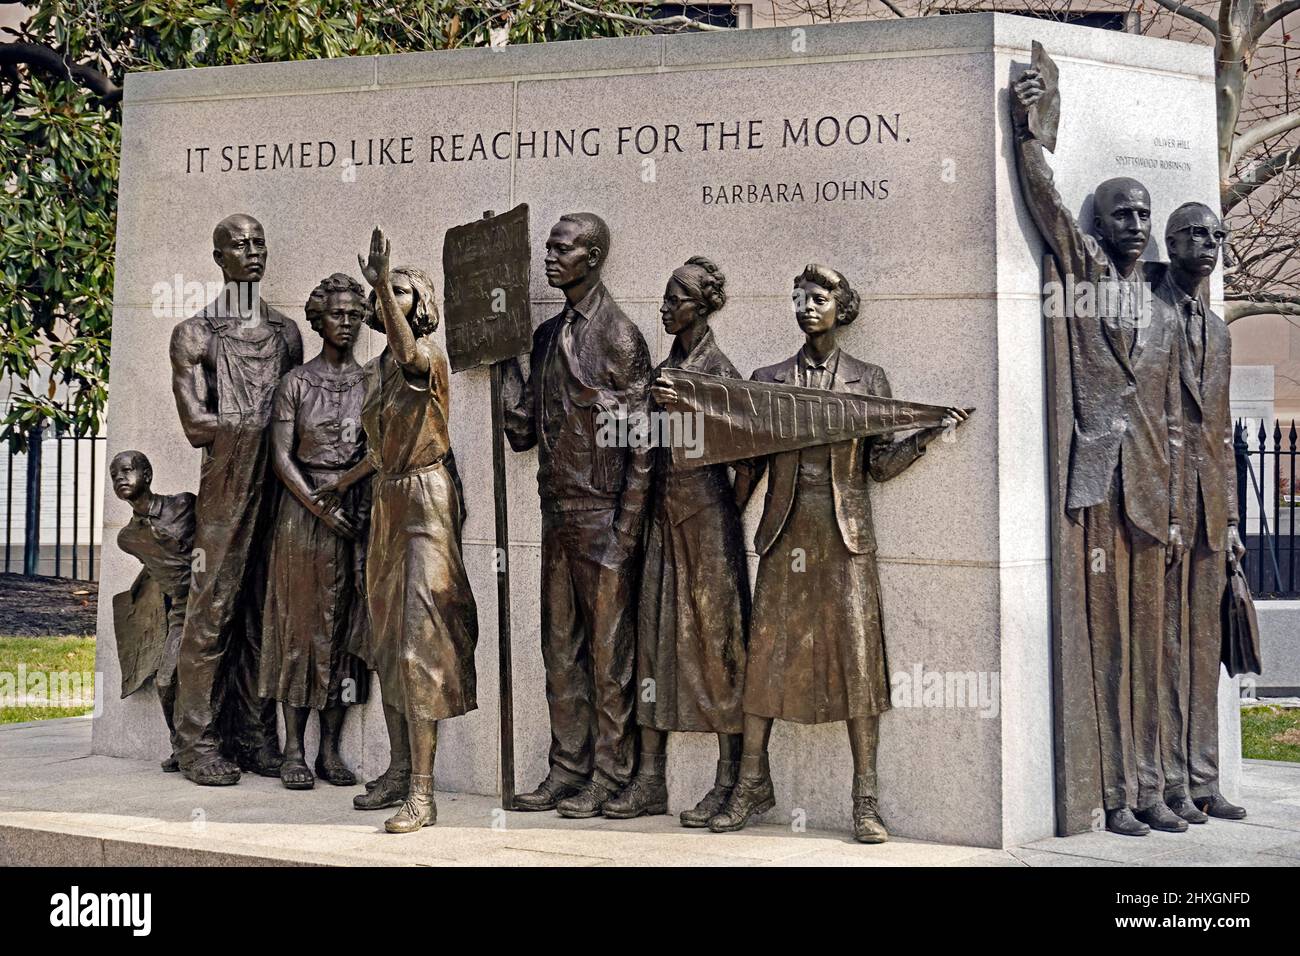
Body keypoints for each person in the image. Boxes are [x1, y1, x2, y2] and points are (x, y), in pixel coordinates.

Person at [708, 264, 966, 843]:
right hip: (784, 535)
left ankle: (865, 800)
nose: (807, 305)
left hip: (846, 540)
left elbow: (877, 466)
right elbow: (745, 455)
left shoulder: (868, 380)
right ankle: (751, 783)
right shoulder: (767, 379)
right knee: (765, 659)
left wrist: (926, 434)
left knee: (858, 666)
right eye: (799, 296)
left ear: (841, 307)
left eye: (819, 297)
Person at [1012, 66, 1187, 835]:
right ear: (1102, 222)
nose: (1137, 223)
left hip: (1150, 495)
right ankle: (1113, 794)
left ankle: (1151, 785)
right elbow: (1046, 204)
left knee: (1150, 650)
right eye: (1123, 212)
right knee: (1105, 646)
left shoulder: (1164, 308)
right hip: (1094, 487)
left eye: (1145, 213)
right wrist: (1029, 133)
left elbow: (1176, 420)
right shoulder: (1084, 277)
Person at [312, 229, 478, 833]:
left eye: (404, 292)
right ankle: (398, 766)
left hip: (425, 506)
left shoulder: (424, 357)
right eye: (390, 290)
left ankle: (424, 792)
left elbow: (412, 360)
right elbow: (384, 444)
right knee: (385, 643)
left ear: (421, 304)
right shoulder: (378, 366)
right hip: (387, 499)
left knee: (419, 643)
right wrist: (348, 478)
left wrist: (380, 279)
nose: (391, 299)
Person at [501, 213, 653, 818]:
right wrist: (507, 356)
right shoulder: (543, 337)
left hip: (603, 513)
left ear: (592, 258)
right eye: (549, 248)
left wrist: (626, 531)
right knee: (559, 647)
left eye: (562, 250)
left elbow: (645, 442)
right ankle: (568, 766)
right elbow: (520, 433)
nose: (550, 257)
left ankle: (612, 774)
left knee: (609, 653)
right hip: (555, 510)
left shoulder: (620, 335)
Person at [602, 257, 749, 825]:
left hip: (707, 524)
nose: (664, 307)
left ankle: (731, 778)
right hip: (662, 517)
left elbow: (748, 449)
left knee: (717, 646)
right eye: (665, 298)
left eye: (675, 299)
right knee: (654, 641)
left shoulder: (718, 370)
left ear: (701, 305)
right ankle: (649, 779)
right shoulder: (665, 366)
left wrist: (723, 513)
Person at [169, 213, 302, 786]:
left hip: (279, 483)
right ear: (218, 257)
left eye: (259, 242)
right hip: (225, 487)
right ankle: (196, 740)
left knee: (263, 613)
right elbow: (197, 425)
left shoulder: (287, 333)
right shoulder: (194, 334)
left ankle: (252, 734)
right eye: (239, 245)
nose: (252, 252)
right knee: (211, 611)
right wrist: (262, 423)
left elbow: (297, 416)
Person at [260, 273, 372, 791]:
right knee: (300, 629)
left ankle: (330, 749)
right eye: (337, 314)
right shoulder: (296, 383)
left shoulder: (371, 381)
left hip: (354, 510)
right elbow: (281, 458)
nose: (346, 323)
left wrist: (351, 502)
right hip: (303, 516)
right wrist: (322, 509)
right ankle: (291, 750)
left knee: (344, 631)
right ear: (318, 319)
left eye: (354, 314)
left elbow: (380, 448)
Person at [1158, 203, 1249, 823]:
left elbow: (1220, 437)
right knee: (1164, 650)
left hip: (1212, 514)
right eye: (1198, 233)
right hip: (1162, 511)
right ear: (1172, 242)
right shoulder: (1148, 314)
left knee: (1203, 649)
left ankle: (1203, 778)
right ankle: (1164, 782)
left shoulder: (1218, 330)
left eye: (1218, 234)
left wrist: (1235, 521)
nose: (1211, 243)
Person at [109, 450, 196, 772]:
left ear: (147, 474)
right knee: (166, 681)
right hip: (182, 610)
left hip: (213, 601)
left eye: (127, 470)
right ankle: (180, 745)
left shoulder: (184, 504)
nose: (119, 478)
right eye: (113, 474)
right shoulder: (127, 538)